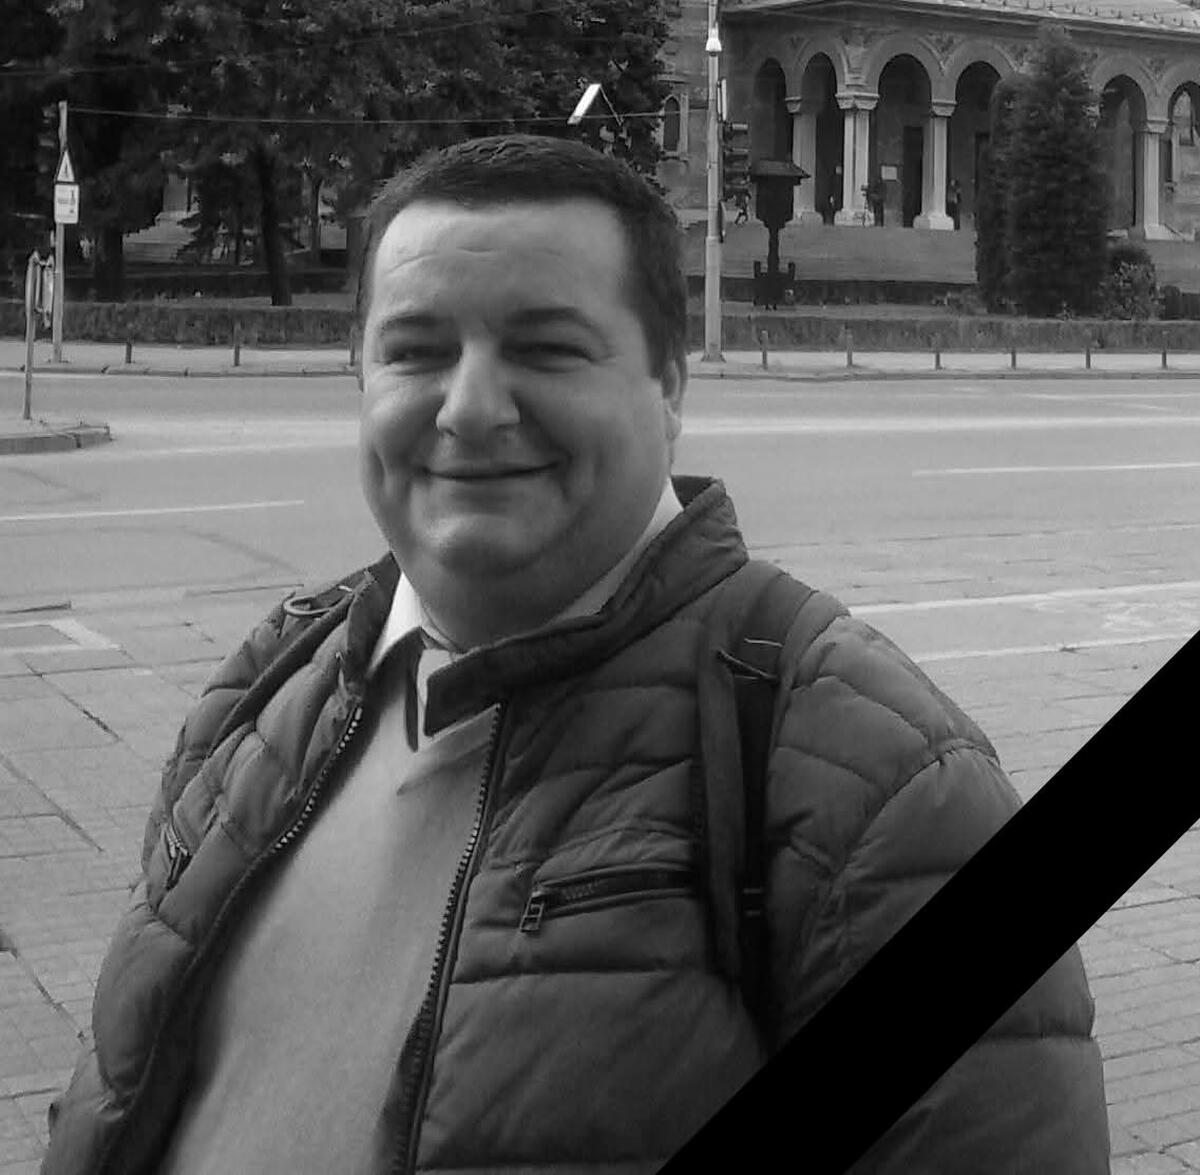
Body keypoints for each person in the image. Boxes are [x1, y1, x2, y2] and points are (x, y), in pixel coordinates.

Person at [41, 134, 1110, 1174]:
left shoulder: (886, 791)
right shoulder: (269, 687)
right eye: (415, 350)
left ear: (670, 388)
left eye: (547, 348)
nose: (470, 409)